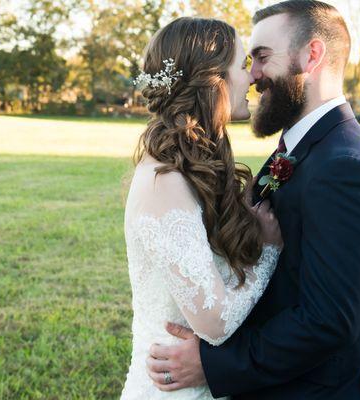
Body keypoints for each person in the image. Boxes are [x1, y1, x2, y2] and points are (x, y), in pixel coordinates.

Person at [146, 2, 360, 399]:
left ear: (311, 55)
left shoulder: (346, 167)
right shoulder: (301, 148)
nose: (253, 75)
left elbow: (328, 321)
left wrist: (212, 365)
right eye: (249, 60)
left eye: (263, 57)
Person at [120, 17, 284, 400]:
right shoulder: (165, 182)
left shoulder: (192, 166)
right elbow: (215, 322)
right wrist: (269, 252)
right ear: (214, 82)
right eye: (242, 66)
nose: (253, 78)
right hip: (172, 387)